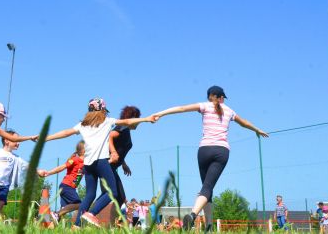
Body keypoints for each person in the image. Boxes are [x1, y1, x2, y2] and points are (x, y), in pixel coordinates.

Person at [153, 86, 268, 231]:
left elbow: (181, 108)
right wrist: (257, 129)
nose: (223, 100)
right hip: (221, 151)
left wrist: (160, 113)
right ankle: (193, 215)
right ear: (218, 97)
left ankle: (209, 227)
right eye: (222, 97)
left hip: (204, 150)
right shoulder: (229, 111)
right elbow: (244, 122)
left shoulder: (204, 106)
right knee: (207, 189)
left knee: (206, 189)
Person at [45, 97, 158, 228]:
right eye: (104, 111)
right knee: (112, 193)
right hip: (101, 163)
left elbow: (65, 133)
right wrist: (146, 119)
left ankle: (76, 226)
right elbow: (127, 121)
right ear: (102, 110)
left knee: (90, 195)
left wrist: (46, 138)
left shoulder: (83, 125)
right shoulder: (107, 122)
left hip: (88, 166)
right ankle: (91, 213)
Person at [41, 141, 86, 223]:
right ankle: (56, 214)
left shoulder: (85, 163)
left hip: (69, 187)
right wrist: (49, 173)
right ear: (83, 150)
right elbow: (62, 167)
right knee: (79, 204)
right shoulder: (75, 160)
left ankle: (48, 225)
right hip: (66, 186)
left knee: (63, 210)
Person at [106, 106, 140, 210]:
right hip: (107, 165)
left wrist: (123, 164)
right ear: (132, 118)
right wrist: (114, 152)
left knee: (120, 197)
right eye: (138, 118)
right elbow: (109, 137)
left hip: (112, 167)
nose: (139, 121)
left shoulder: (126, 130)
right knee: (112, 195)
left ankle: (112, 223)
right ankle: (89, 213)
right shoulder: (122, 128)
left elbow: (120, 147)